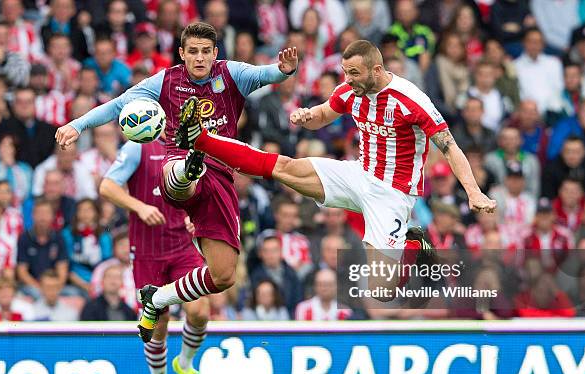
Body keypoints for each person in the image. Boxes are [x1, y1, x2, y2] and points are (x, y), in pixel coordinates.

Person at [171, 39, 495, 304]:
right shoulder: (350, 89)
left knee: (381, 291)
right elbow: (326, 113)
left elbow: (449, 145)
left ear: (377, 70)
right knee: (284, 168)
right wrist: (307, 115)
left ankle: (413, 245)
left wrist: (473, 191)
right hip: (358, 175)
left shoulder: (411, 100)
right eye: (345, 72)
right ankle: (200, 138)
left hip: (393, 193)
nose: (348, 79)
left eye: (354, 73)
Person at [55, 22, 298, 339]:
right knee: (179, 175)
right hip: (177, 168)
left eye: (206, 52)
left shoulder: (232, 74)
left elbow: (267, 74)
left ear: (215, 53)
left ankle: (156, 300)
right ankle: (190, 160)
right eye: (193, 52)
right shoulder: (165, 81)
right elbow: (117, 106)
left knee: (224, 277)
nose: (199, 58)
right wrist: (78, 125)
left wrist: (284, 70)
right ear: (182, 53)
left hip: (222, 178)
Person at [99, 138, 209, 374]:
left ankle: (184, 363)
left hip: (183, 246)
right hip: (147, 251)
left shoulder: (190, 144)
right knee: (158, 323)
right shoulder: (138, 146)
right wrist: (140, 206)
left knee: (200, 311)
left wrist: (194, 216)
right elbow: (107, 186)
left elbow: (202, 190)